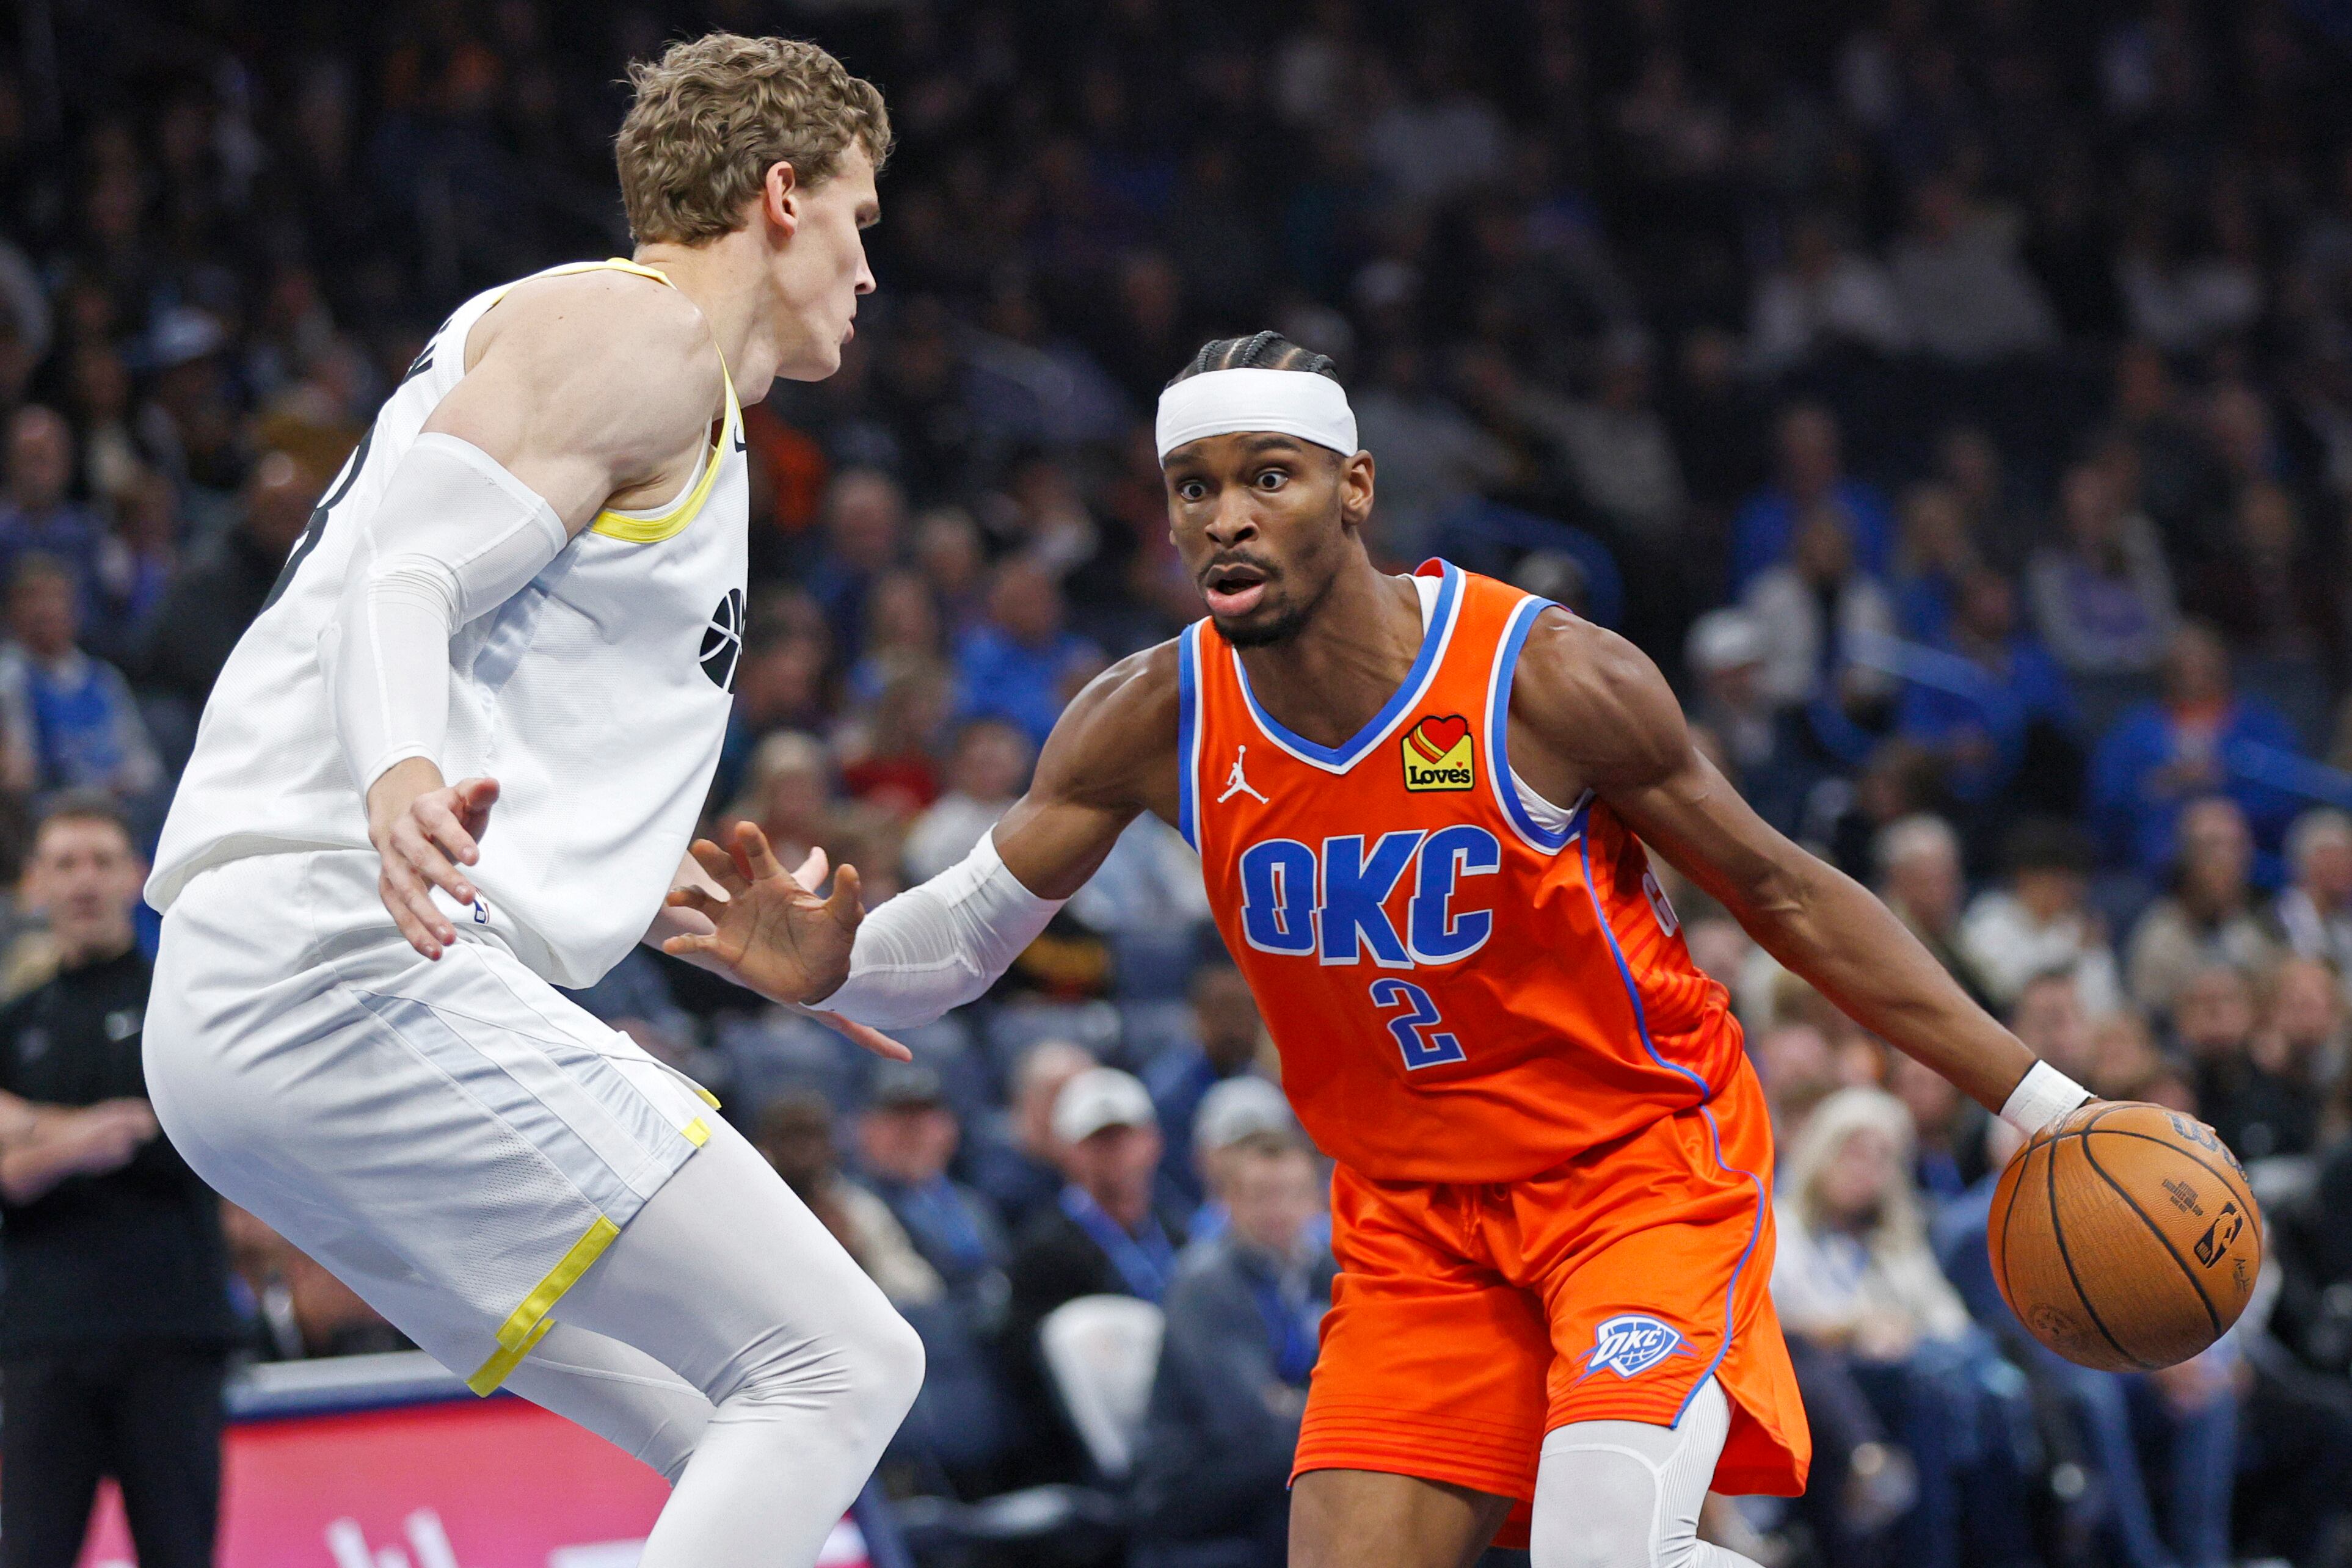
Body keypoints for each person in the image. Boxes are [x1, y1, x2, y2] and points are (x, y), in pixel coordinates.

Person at [664, 330, 2090, 1568]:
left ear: (1353, 490)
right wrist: (833, 963)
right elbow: (970, 932)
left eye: (1266, 477)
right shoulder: (1149, 715)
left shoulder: (1543, 676)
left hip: (1631, 1168)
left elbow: (1782, 890)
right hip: (1413, 1219)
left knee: (1601, 1546)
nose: (1226, 516)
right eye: (1192, 487)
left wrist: (2043, 1102)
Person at [136, 37, 923, 1567]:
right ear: (782, 195)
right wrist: (397, 775)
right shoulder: (639, 332)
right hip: (337, 961)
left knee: (736, 1440)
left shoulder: (657, 387)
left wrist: (672, 904)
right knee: (843, 1365)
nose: (868, 268)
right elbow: (406, 571)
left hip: (272, 1006)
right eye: (860, 218)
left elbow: (500, 666)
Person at [0, 796, 236, 1568]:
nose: (83, 881)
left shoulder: (181, 1002)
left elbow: (170, 1136)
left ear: (137, 875)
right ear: (35, 882)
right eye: (64, 864)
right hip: (41, 1342)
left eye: (101, 862)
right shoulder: (17, 1021)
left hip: (171, 1332)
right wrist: (87, 1135)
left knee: (179, 1553)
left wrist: (29, 1131)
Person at [1132, 1130, 1337, 1568]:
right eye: (1261, 1196)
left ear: (1317, 1200)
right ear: (1227, 1201)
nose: (1279, 1210)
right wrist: (1331, 1411)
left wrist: (1294, 1402)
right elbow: (1249, 1422)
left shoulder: (1327, 1272)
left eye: (1293, 1194)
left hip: (1282, 1462)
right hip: (1198, 1483)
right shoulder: (1203, 1285)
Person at [1000, 1066, 1189, 1483]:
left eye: (1125, 1137)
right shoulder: (1042, 1252)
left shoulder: (1178, 1232)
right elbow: (1036, 1373)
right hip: (1106, 1448)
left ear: (1153, 1143)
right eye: (1098, 1141)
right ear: (1067, 1151)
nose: (1115, 1153)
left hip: (1185, 1417)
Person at [1146, 958, 1270, 1208]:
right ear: (1199, 1018)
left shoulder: (1264, 1082)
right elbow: (1167, 1184)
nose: (1236, 1027)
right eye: (1224, 1012)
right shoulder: (1168, 1095)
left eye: (1247, 1013)